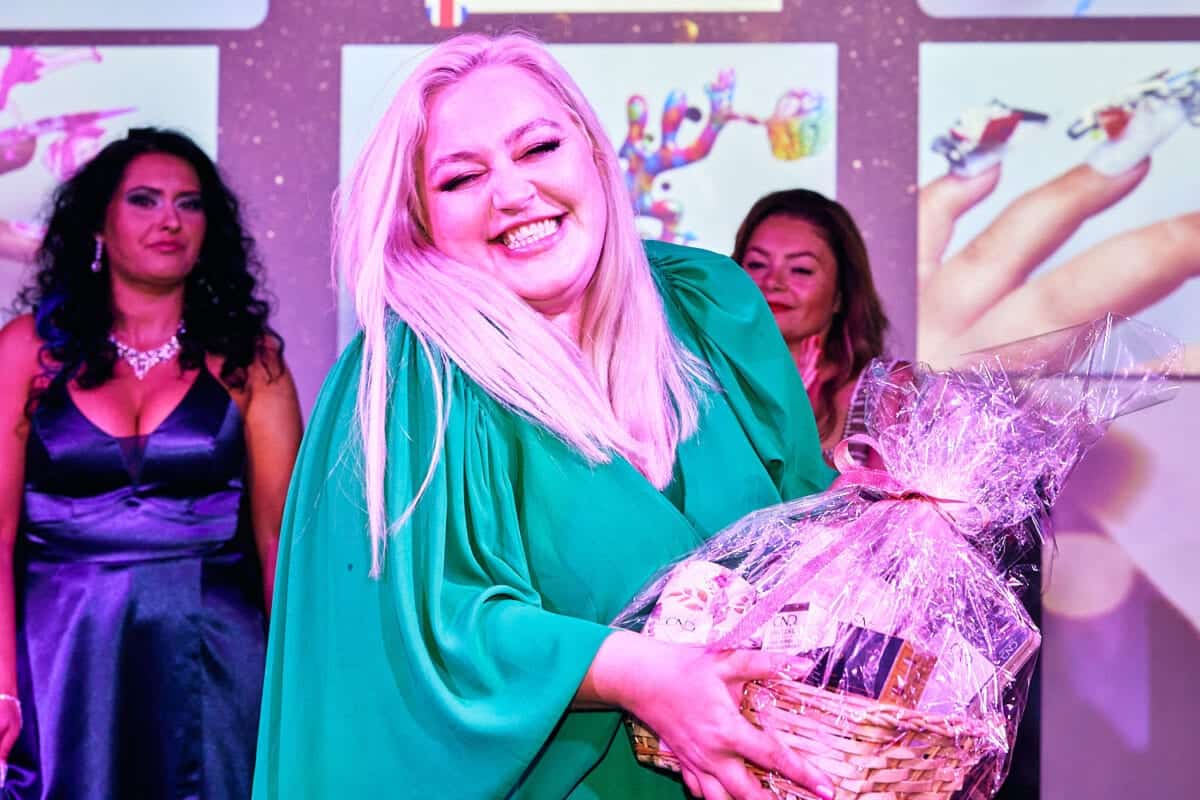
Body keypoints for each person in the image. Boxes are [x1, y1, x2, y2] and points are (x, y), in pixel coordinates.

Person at [254, 33, 836, 800]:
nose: (513, 192)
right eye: (462, 177)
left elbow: (816, 541)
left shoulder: (713, 308)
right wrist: (636, 673)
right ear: (421, 221)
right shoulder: (406, 377)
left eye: (538, 148)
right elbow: (419, 637)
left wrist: (894, 524)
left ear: (593, 152)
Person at [0, 127, 302, 798]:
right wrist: (0, 684)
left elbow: (280, 543)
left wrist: (301, 692)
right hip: (60, 654)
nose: (170, 220)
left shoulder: (253, 359)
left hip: (217, 656)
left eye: (189, 204)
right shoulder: (24, 350)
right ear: (97, 223)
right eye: (144, 200)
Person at [731, 189, 891, 455]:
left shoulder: (887, 390)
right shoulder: (707, 383)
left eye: (801, 269)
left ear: (840, 294)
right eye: (757, 265)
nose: (772, 283)